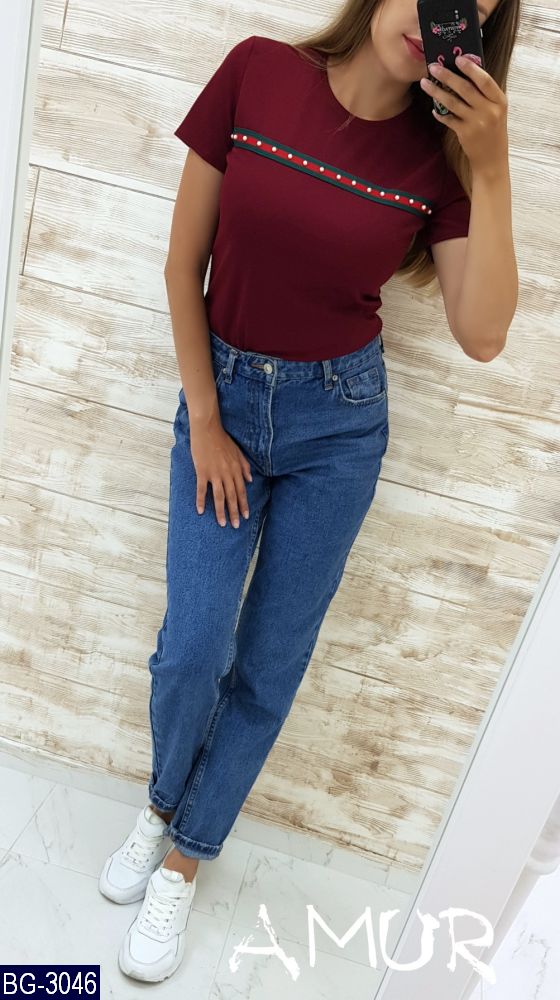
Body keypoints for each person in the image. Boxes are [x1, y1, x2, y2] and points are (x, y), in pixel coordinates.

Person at [98, 0, 514, 982]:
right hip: (224, 401)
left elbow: (484, 333)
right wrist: (206, 420)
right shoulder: (256, 73)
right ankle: (160, 801)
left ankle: (187, 856)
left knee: (269, 664)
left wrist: (492, 166)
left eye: (475, 6)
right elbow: (182, 263)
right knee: (193, 645)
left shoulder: (441, 163)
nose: (443, 14)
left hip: (339, 426)